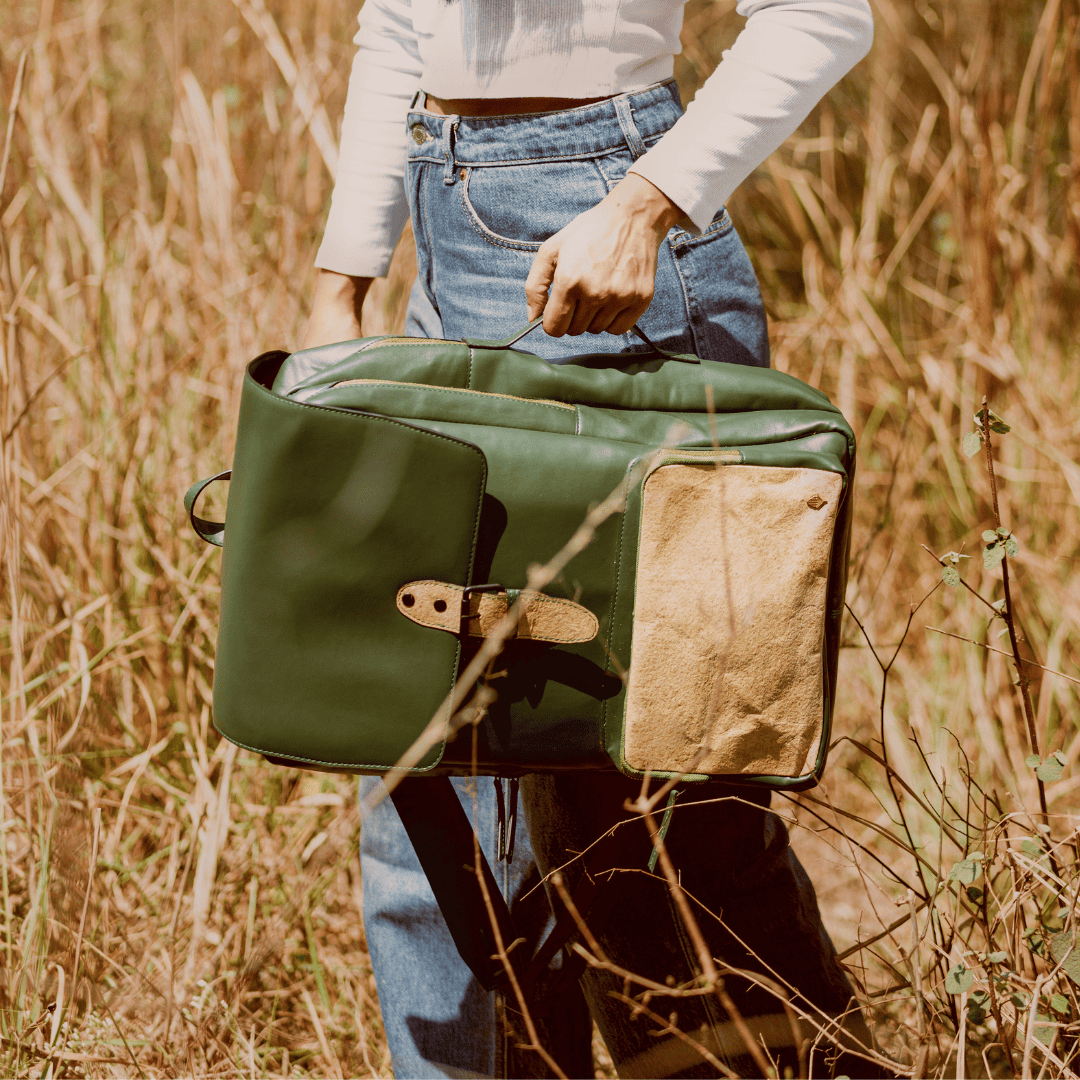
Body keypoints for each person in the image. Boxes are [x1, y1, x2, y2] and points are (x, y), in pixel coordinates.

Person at [302, 2, 882, 1077]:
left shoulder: (631, 217)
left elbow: (823, 13)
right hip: (443, 250)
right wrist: (344, 280)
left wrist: (646, 203)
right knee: (426, 793)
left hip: (615, 263)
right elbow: (397, 19)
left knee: (667, 810)